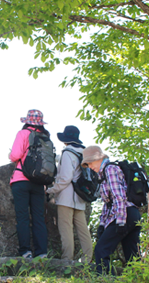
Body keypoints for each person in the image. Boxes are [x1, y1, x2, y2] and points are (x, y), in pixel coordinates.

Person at [81, 146, 141, 275]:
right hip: (131, 213)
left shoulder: (110, 169)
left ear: (99, 159)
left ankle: (104, 281)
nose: (90, 166)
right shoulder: (104, 174)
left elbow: (119, 197)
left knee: (101, 250)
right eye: (87, 164)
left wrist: (120, 222)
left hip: (125, 214)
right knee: (132, 255)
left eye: (90, 162)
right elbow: (108, 204)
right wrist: (103, 224)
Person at [46, 126, 93, 262]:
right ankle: (87, 260)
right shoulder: (84, 153)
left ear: (65, 140)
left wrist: (51, 190)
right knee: (83, 231)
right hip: (81, 196)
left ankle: (67, 260)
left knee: (66, 229)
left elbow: (65, 178)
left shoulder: (67, 153)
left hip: (66, 198)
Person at [9, 109, 48, 259]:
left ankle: (26, 251)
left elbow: (15, 155)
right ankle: (42, 252)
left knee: (23, 217)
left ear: (27, 121)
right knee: (39, 218)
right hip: (39, 182)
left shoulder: (23, 134)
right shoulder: (45, 136)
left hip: (21, 179)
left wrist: (10, 156)